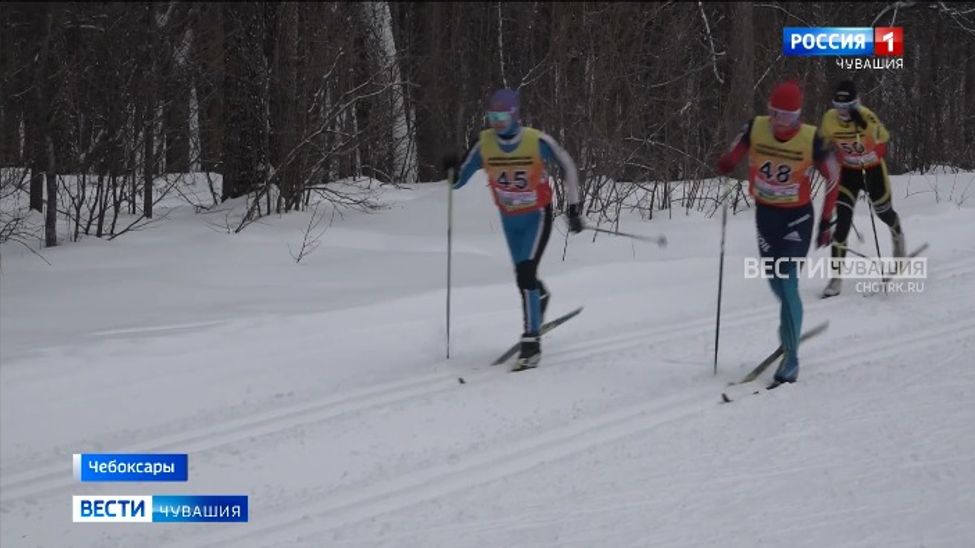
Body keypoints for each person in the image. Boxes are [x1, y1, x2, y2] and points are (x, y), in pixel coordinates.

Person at [442, 88, 584, 372]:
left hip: (537, 216)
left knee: (525, 273)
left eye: (502, 117)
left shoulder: (536, 140)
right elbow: (458, 181)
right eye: (492, 117)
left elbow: (567, 164)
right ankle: (540, 297)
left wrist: (573, 207)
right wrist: (451, 169)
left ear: (515, 116)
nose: (496, 123)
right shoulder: (484, 144)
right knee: (524, 278)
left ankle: (531, 343)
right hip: (510, 220)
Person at [716, 80, 840, 386]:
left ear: (798, 116)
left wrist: (826, 221)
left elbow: (833, 179)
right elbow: (731, 154)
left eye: (787, 117)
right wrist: (727, 161)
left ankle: (791, 357)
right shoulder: (755, 128)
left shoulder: (813, 140)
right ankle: (789, 330)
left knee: (787, 282)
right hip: (766, 217)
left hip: (797, 219)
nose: (779, 122)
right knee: (776, 285)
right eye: (774, 113)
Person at [818, 79, 905, 298]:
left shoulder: (866, 116)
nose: (842, 113)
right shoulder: (829, 119)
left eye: (847, 107)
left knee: (883, 212)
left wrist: (866, 133)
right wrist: (826, 154)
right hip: (848, 173)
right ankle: (836, 278)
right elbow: (821, 143)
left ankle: (897, 236)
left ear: (855, 104)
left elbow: (884, 142)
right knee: (843, 223)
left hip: (872, 171)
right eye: (838, 107)